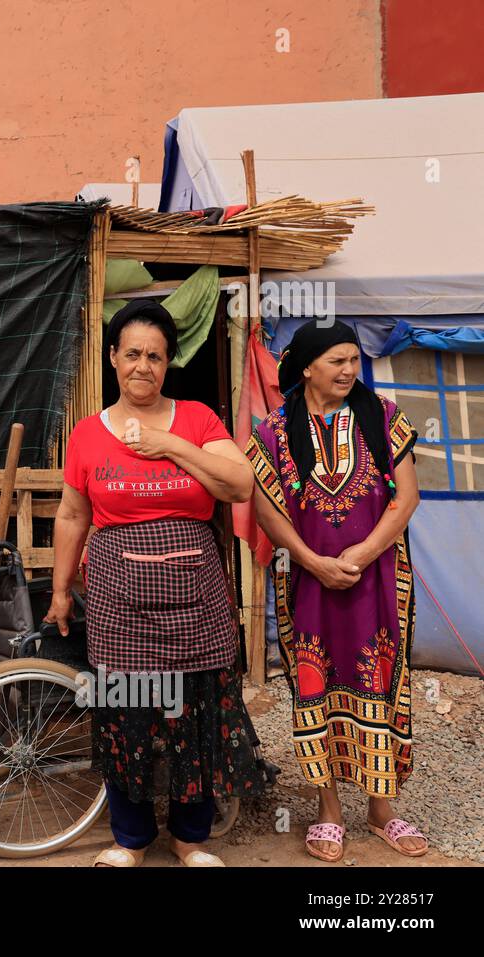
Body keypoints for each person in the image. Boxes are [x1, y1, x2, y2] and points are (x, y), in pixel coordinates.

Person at [46, 300, 269, 867]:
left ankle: (190, 838)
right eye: (132, 354)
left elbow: (240, 483)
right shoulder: (88, 435)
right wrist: (61, 589)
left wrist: (169, 444)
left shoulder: (196, 419)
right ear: (113, 359)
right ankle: (131, 838)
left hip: (196, 587)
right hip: (120, 592)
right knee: (127, 711)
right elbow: (73, 516)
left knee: (196, 711)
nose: (142, 365)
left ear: (168, 362)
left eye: (155, 355)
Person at [246, 318, 426, 861]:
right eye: (337, 361)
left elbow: (408, 497)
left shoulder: (382, 418)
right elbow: (267, 510)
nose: (349, 370)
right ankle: (327, 810)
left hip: (380, 584)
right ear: (307, 368)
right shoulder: (274, 433)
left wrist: (363, 553)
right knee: (314, 685)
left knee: (380, 683)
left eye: (353, 360)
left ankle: (381, 809)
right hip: (308, 584)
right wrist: (312, 561)